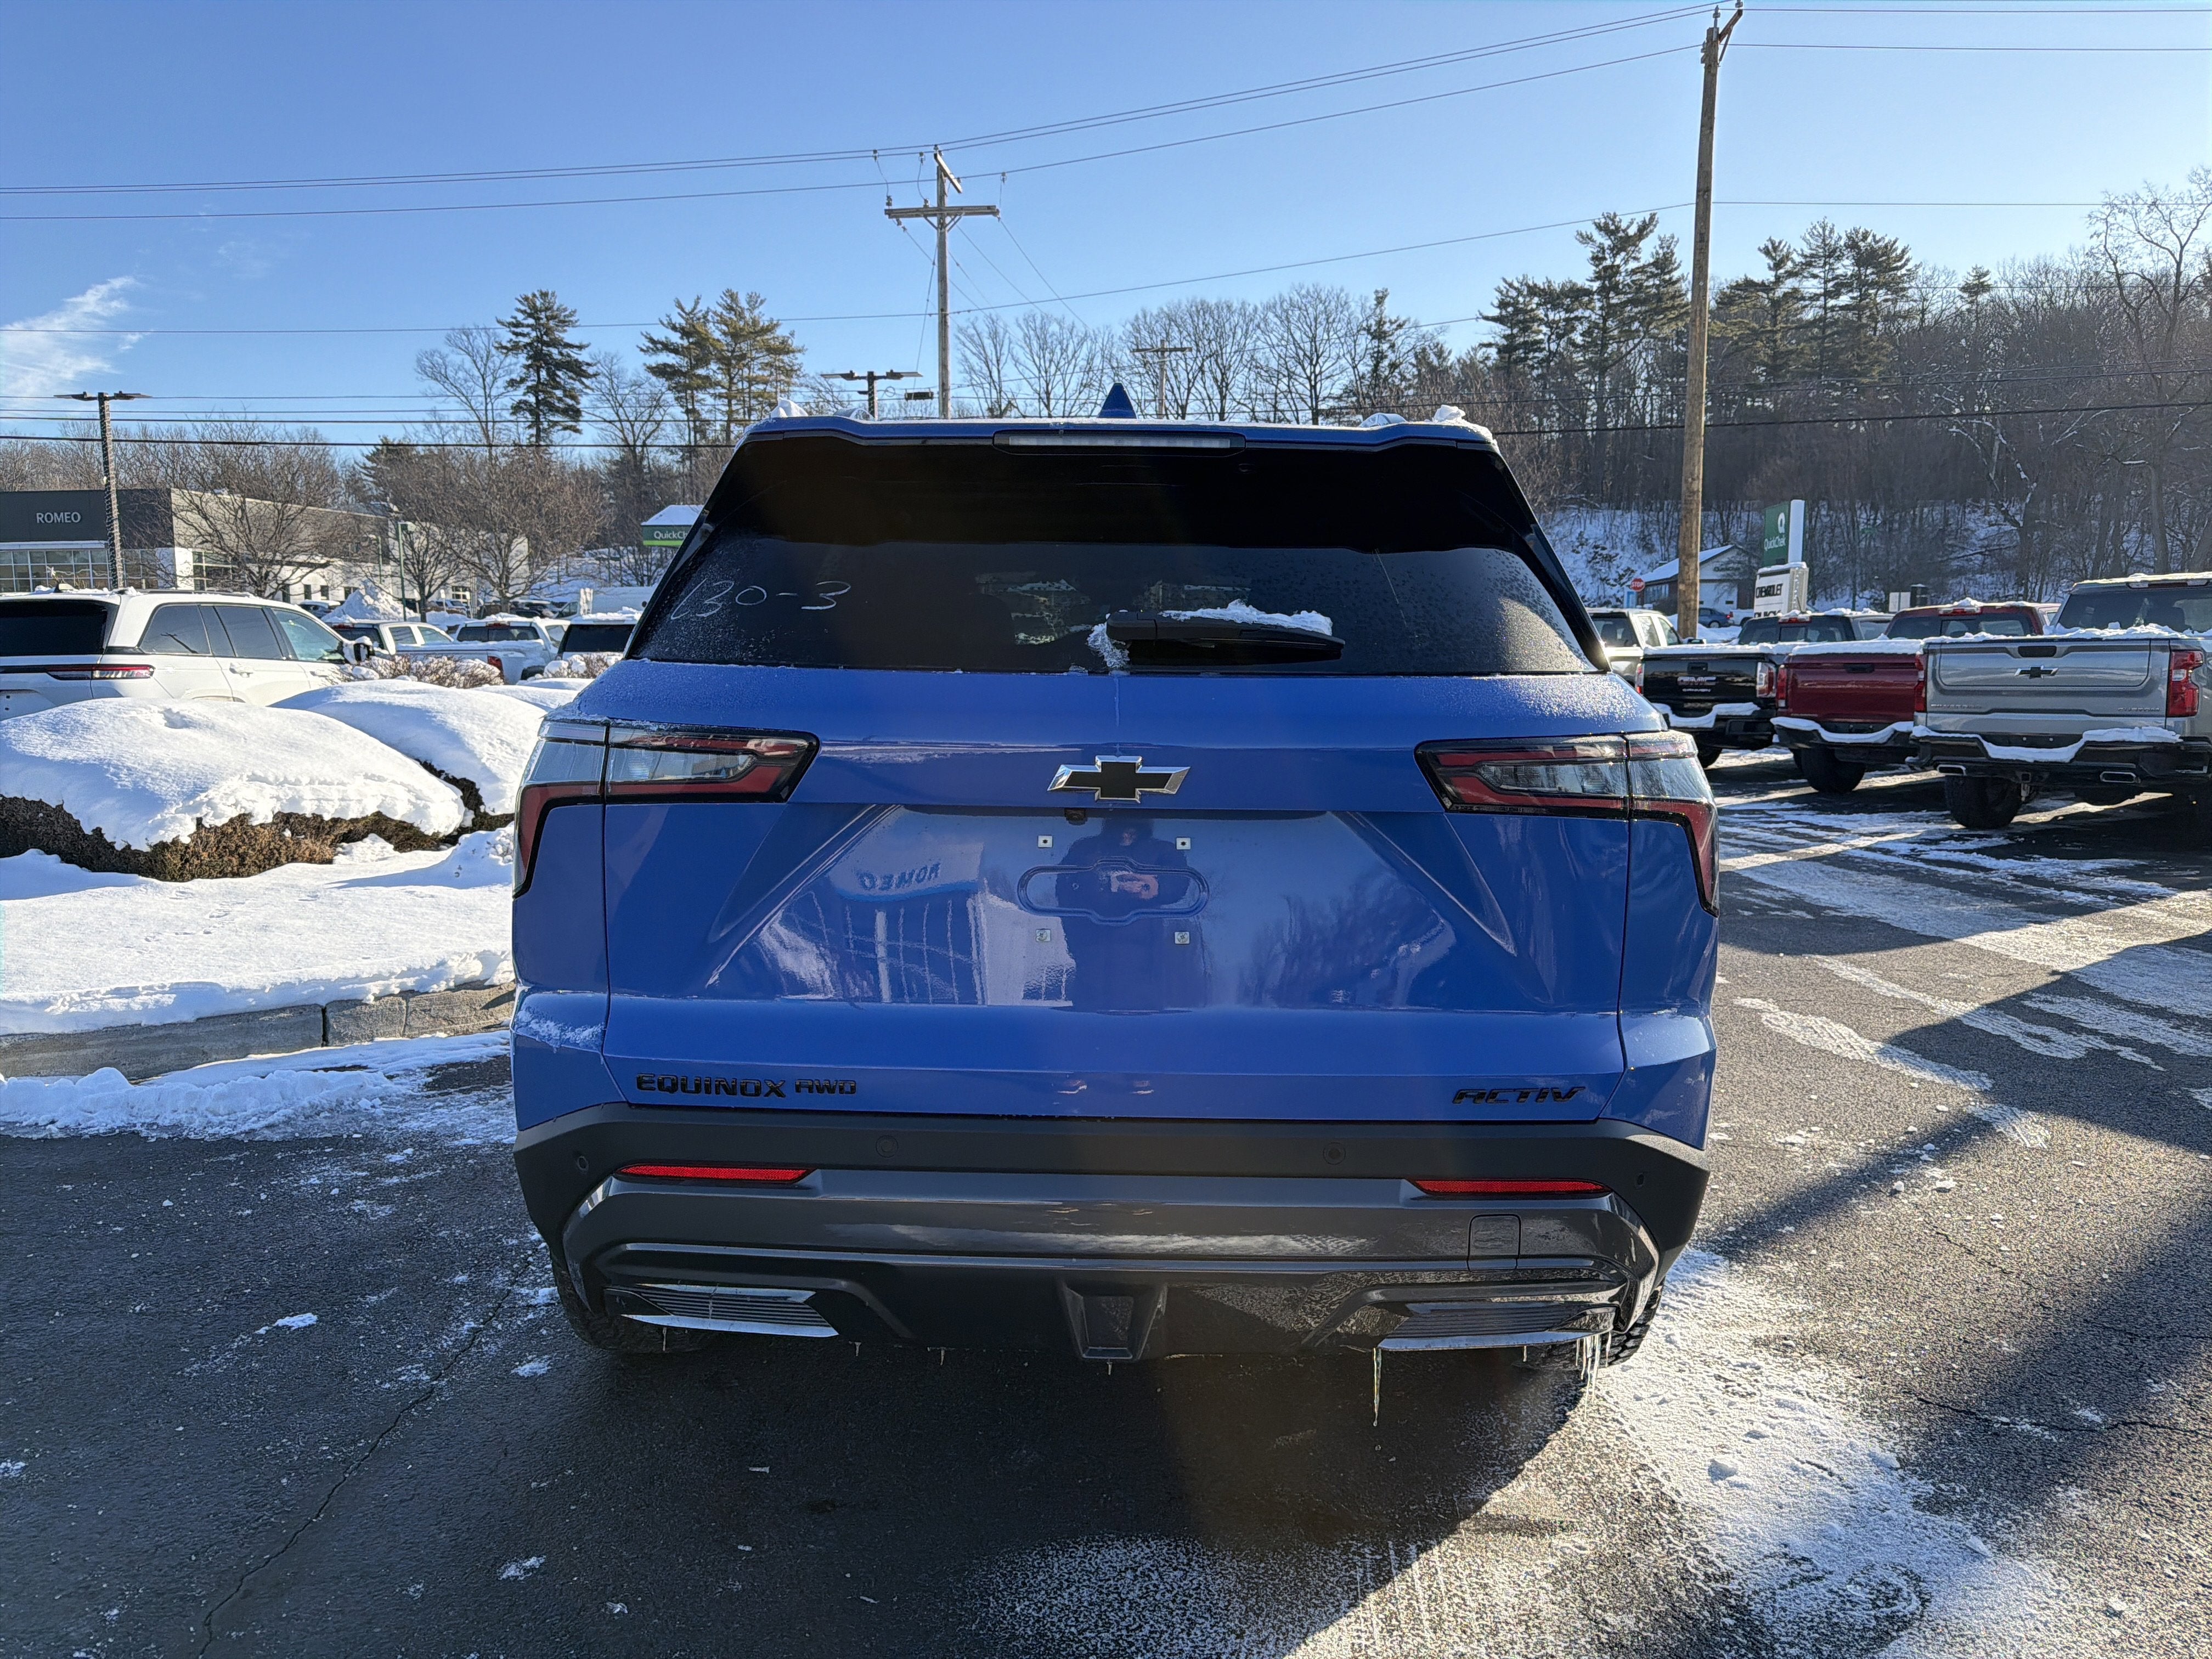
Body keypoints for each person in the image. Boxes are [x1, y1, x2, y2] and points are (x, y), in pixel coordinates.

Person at [1053, 816, 1197, 1012]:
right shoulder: (1086, 850)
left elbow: (1180, 884)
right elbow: (1065, 890)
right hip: (1092, 953)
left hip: (1145, 960)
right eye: (1122, 827)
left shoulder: (1163, 851)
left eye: (1133, 830)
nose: (1127, 834)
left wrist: (1155, 886)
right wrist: (1108, 886)